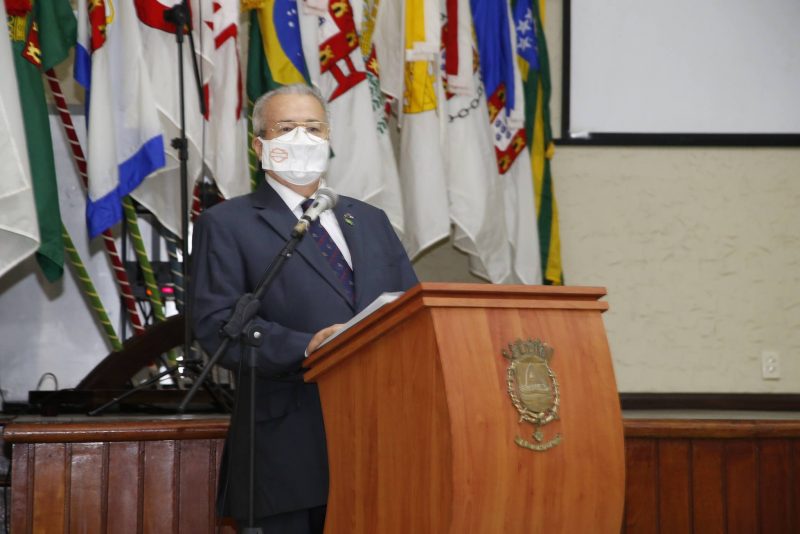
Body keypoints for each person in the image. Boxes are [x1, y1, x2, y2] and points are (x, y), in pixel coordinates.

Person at [190, 84, 418, 533]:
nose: (301, 139)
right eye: (287, 128)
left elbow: (411, 312)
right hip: (285, 446)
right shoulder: (228, 223)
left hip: (377, 443)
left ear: (329, 138)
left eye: (313, 128)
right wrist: (306, 344)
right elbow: (217, 326)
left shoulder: (370, 221)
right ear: (260, 145)